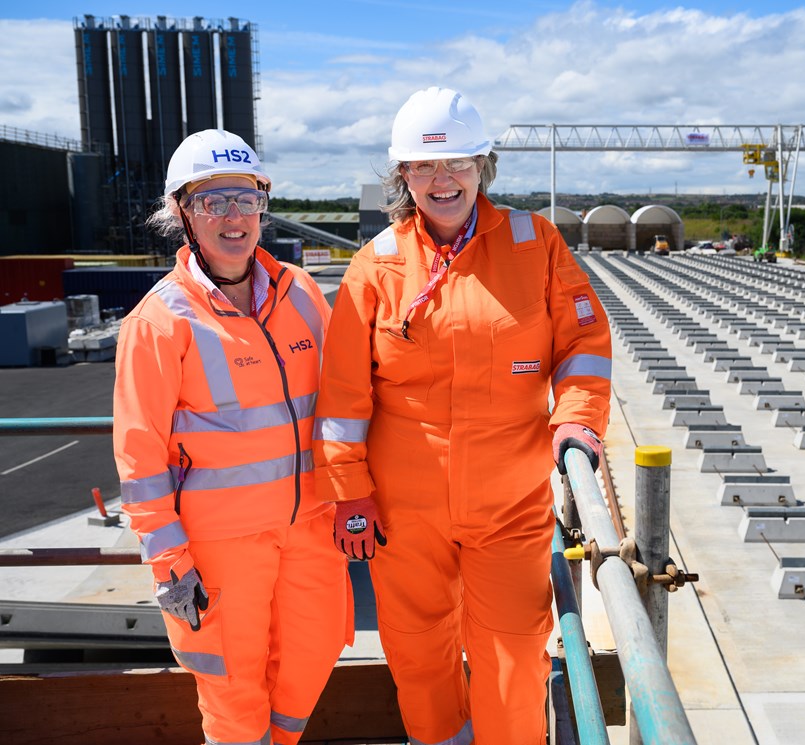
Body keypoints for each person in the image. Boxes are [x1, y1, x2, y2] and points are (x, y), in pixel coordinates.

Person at [313, 87, 612, 744]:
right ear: (404, 176)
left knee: (511, 657)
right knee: (419, 656)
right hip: (402, 510)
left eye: (457, 164)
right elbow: (341, 398)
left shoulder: (537, 244)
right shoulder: (377, 267)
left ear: (484, 166)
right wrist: (348, 490)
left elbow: (584, 344)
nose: (441, 180)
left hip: (509, 505)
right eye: (424, 167)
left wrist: (578, 420)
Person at [112, 129, 353, 745]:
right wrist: (168, 564)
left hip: (311, 532)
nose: (233, 217)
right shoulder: (160, 322)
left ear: (263, 207)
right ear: (181, 213)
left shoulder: (301, 293)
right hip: (220, 549)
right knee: (232, 691)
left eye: (245, 199)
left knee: (312, 659)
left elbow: (343, 402)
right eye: (212, 201)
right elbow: (139, 456)